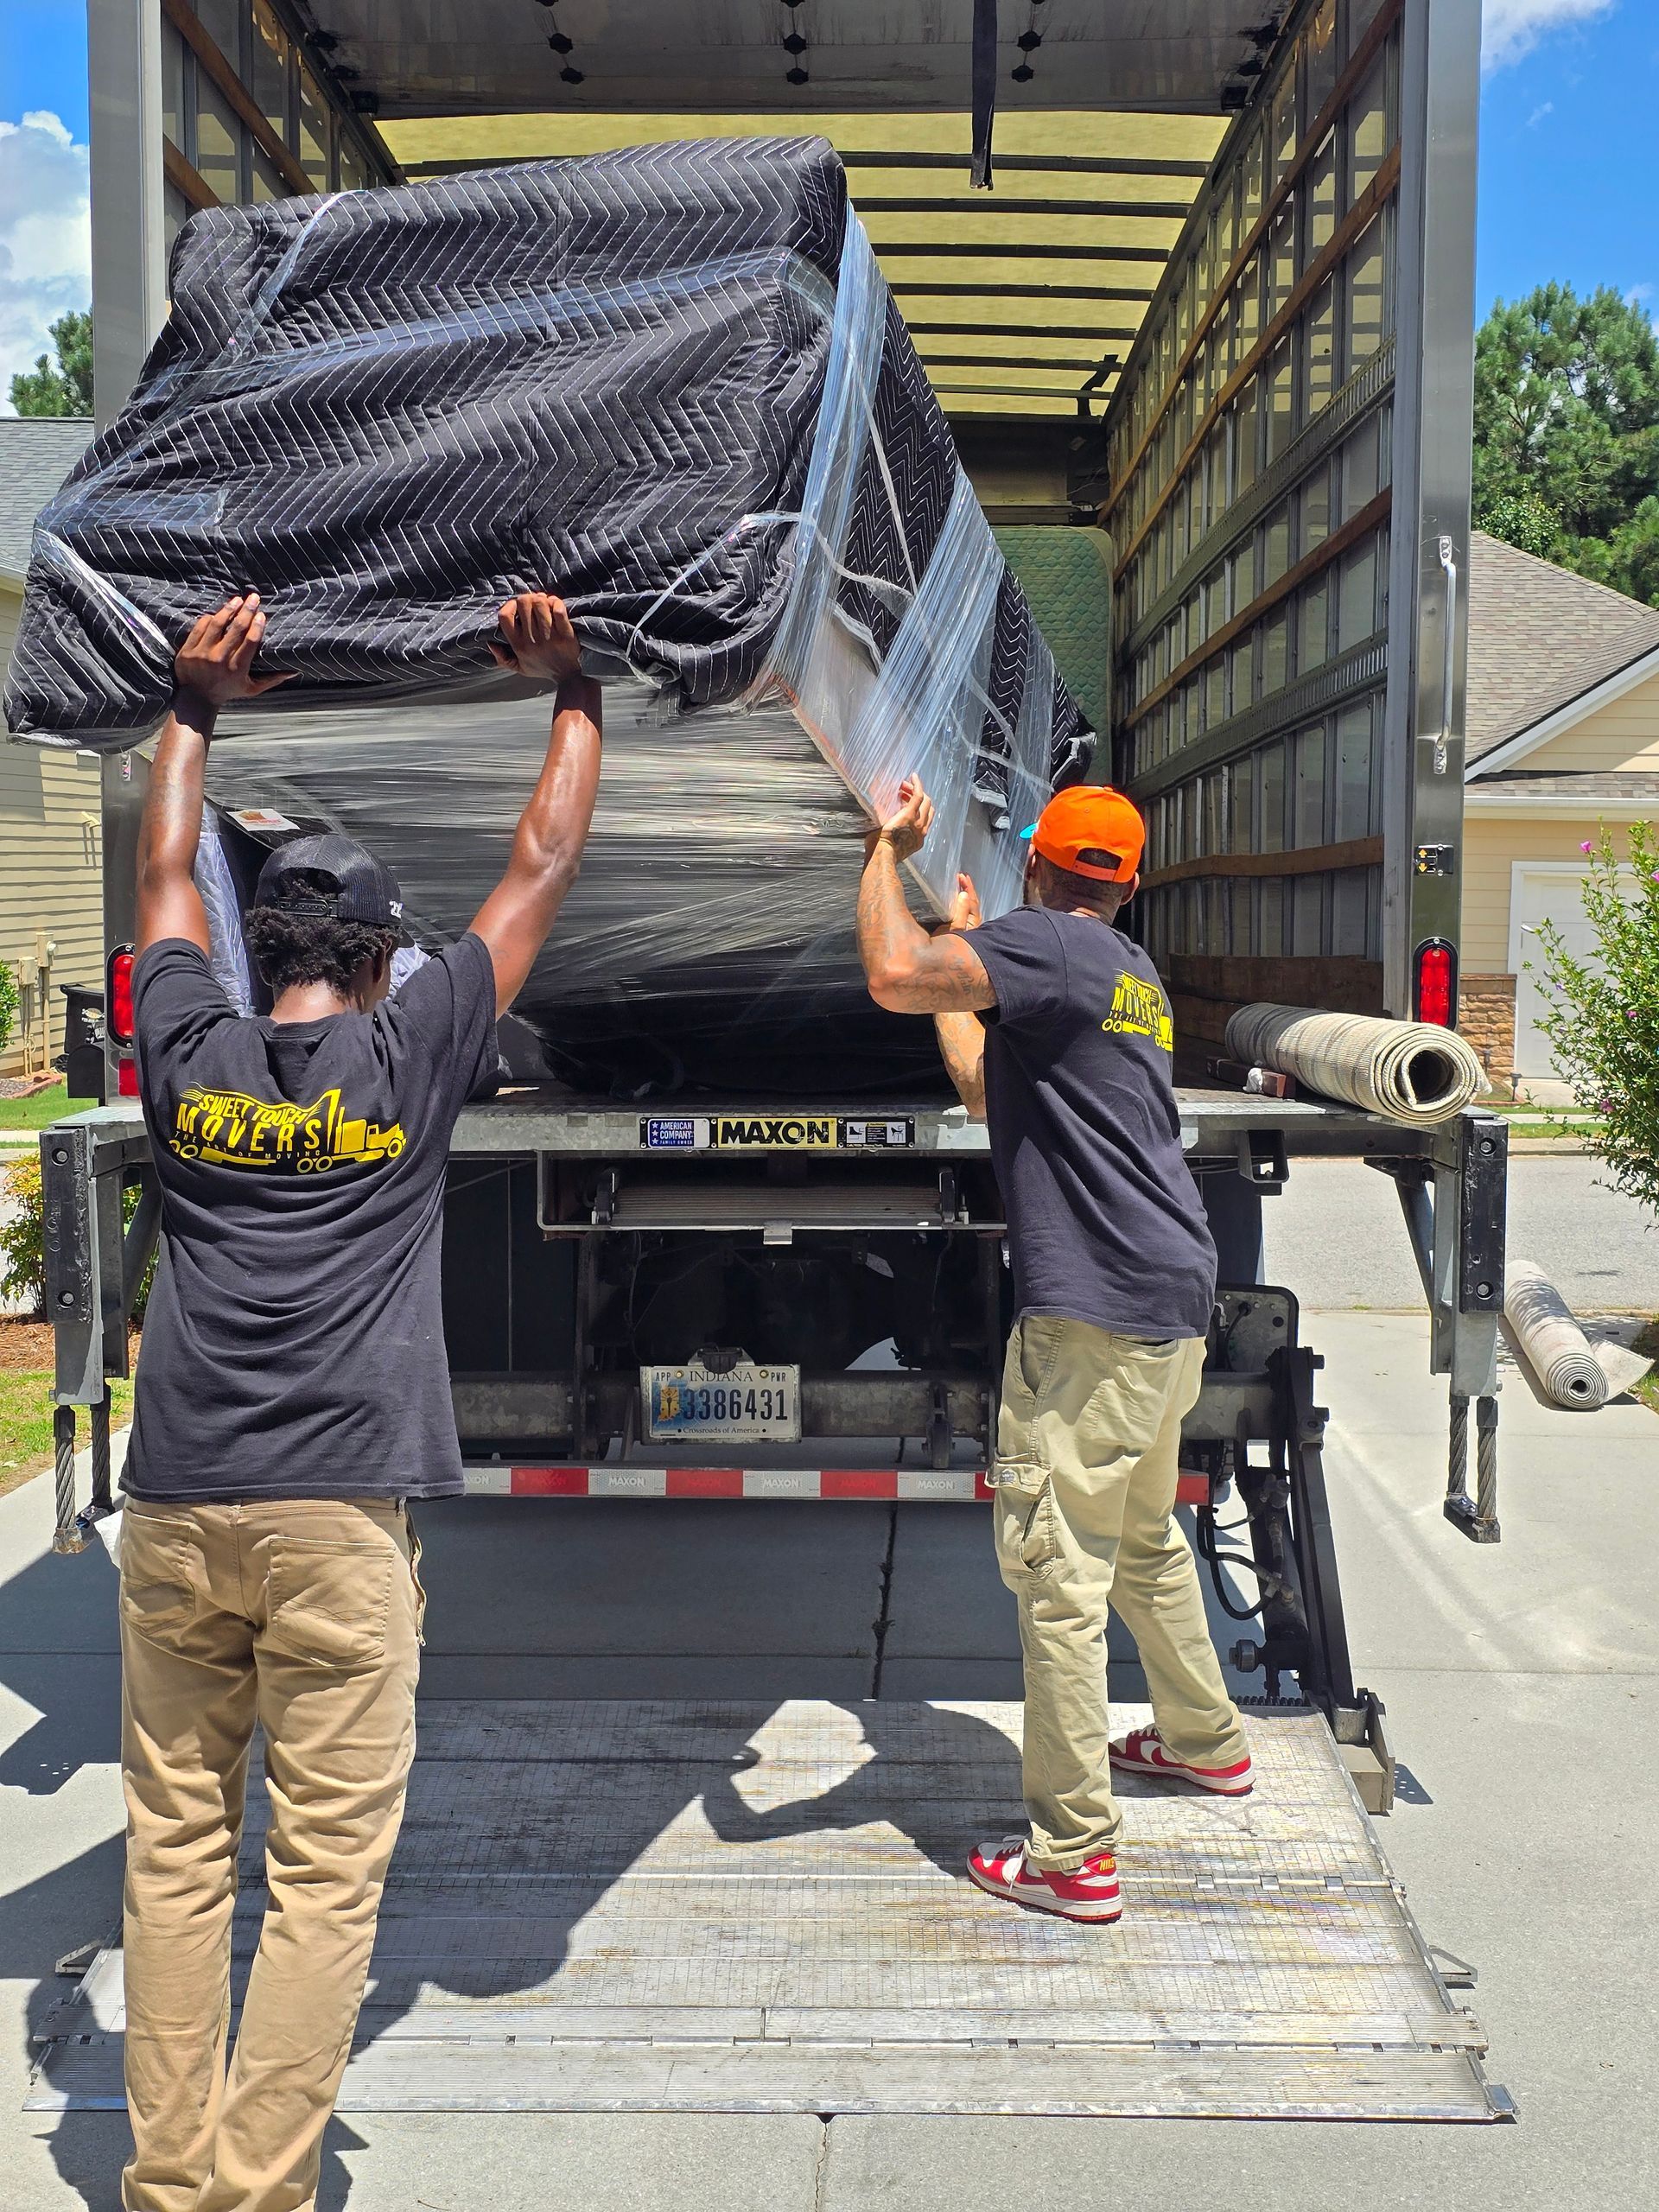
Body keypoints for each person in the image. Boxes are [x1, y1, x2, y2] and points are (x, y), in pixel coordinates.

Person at [117, 588, 601, 2211]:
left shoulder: (188, 1046)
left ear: (259, 953)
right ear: (388, 960)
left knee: (176, 1853)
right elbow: (542, 864)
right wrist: (574, 684)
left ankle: (172, 2185)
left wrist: (192, 704)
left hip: (177, 1508)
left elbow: (164, 878)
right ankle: (258, 2189)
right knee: (322, 1881)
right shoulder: (413, 1053)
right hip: (335, 1520)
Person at [855, 775, 1251, 1928]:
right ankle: (1206, 1742)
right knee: (1142, 1537)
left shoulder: (1050, 948)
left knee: (1059, 1574)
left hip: (1093, 1309)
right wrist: (969, 949)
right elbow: (988, 1084)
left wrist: (884, 850)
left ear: (1037, 861)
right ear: (1128, 883)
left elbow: (891, 974)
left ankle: (1074, 1856)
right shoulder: (1126, 974)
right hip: (1168, 1294)